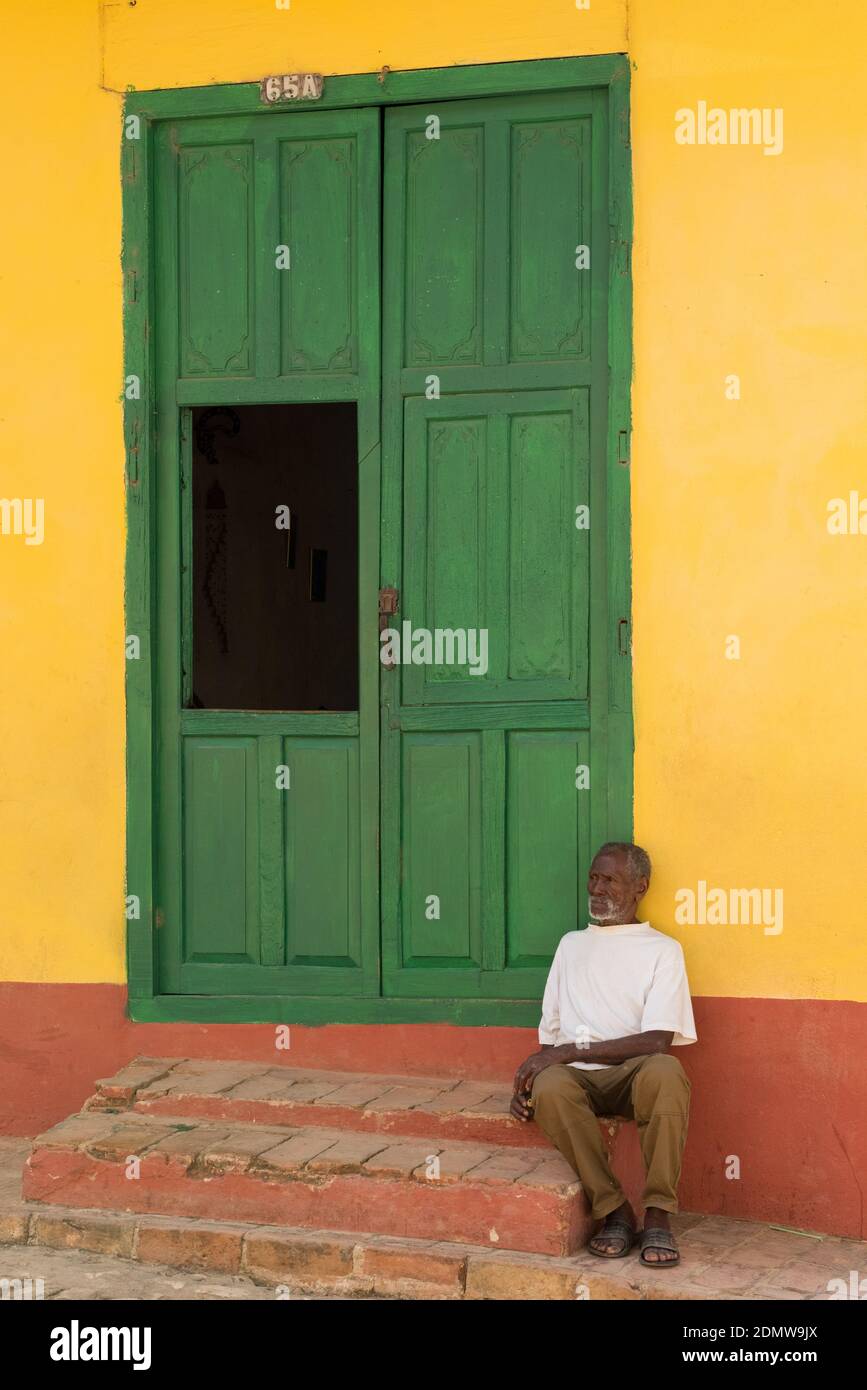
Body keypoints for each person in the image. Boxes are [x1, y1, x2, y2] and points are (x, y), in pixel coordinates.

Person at [511, 842, 696, 1267]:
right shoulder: (571, 945)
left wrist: (571, 1050)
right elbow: (549, 1039)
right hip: (577, 1077)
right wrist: (531, 1081)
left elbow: (657, 1042)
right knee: (551, 1083)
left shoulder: (662, 950)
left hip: (636, 1074)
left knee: (666, 1072)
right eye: (594, 877)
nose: (597, 887)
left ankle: (658, 1214)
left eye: (609, 879)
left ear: (640, 887)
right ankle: (614, 1209)